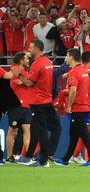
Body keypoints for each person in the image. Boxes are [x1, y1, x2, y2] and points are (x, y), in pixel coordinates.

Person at [14, 39, 61, 167]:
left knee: (41, 132)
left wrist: (20, 75)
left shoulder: (37, 64)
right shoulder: (48, 62)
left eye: (31, 47)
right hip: (47, 100)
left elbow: (29, 83)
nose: (29, 49)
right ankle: (29, 156)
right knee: (39, 130)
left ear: (37, 49)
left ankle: (43, 160)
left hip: (37, 103)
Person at [56, 48, 90, 166]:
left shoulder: (74, 72)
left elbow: (73, 90)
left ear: (71, 57)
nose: (65, 58)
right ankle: (66, 159)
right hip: (84, 105)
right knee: (74, 134)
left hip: (77, 107)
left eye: (66, 56)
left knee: (84, 134)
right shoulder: (83, 70)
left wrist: (69, 106)